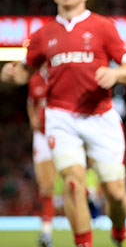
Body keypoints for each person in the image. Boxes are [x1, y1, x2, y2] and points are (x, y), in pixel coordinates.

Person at [1, 0, 126, 247]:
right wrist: (8, 75)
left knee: (115, 193)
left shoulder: (103, 27)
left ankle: (119, 233)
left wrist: (116, 75)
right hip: (60, 116)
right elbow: (23, 74)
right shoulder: (42, 35)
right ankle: (83, 244)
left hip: (101, 116)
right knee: (73, 183)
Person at [27, 67, 56, 247]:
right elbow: (31, 102)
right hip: (42, 137)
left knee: (73, 181)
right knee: (46, 187)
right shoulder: (35, 79)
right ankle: (46, 231)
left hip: (62, 134)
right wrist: (32, 117)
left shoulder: (61, 73)